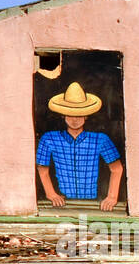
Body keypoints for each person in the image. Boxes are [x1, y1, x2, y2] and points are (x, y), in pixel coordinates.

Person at [36, 82, 124, 211]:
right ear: (63, 115)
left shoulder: (100, 139)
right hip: (61, 204)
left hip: (93, 204)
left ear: (86, 115)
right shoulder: (49, 139)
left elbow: (117, 169)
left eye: (79, 114)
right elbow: (42, 169)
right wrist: (51, 194)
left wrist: (111, 197)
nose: (74, 119)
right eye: (70, 114)